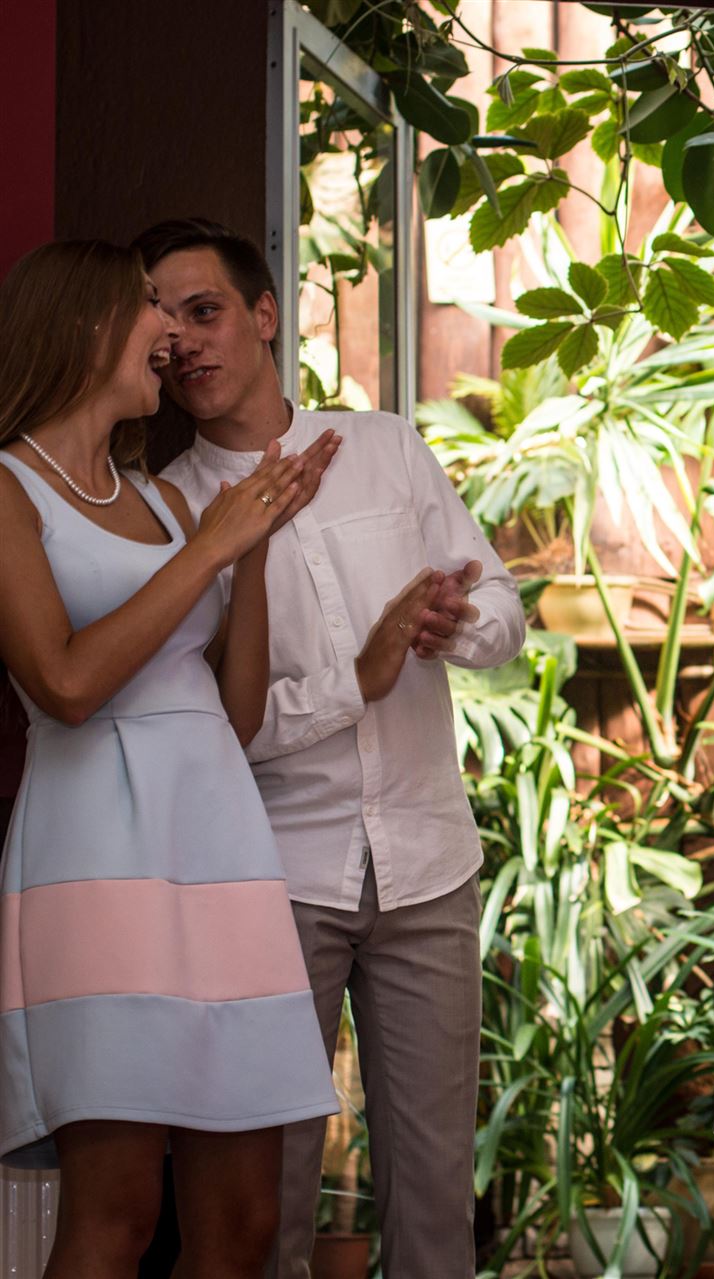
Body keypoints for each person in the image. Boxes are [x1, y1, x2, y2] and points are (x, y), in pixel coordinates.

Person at [136, 218, 526, 1279]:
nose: (186, 342)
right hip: (271, 877)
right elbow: (219, 725)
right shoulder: (167, 511)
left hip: (428, 867)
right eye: (165, 325)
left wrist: (453, 624)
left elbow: (499, 605)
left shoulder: (385, 446)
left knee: (436, 1203)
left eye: (206, 311)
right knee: (264, 1210)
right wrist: (363, 669)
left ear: (265, 314)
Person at [0, 240, 341, 1276]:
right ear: (84, 325)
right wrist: (209, 550)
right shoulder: (10, 489)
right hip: (96, 862)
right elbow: (64, 684)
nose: (169, 332)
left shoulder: (165, 499)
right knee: (116, 1215)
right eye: (149, 305)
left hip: (222, 858)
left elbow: (232, 712)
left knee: (243, 1223)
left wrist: (257, 542)